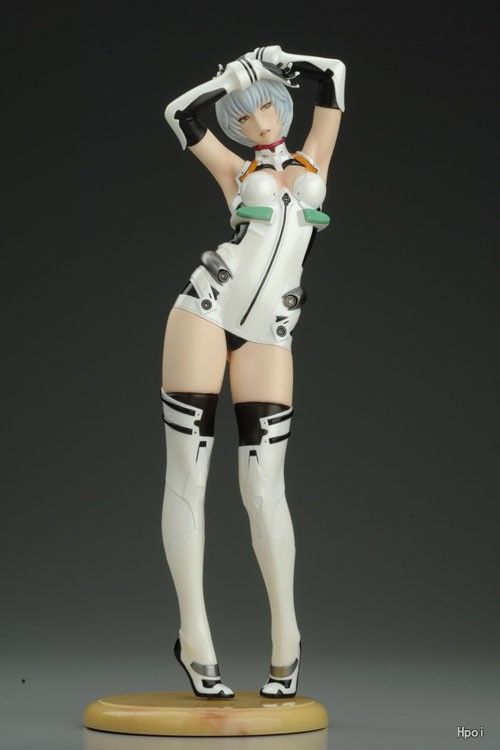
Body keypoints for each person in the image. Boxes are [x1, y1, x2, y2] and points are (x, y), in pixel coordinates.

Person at [161, 45, 346, 699]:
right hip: (206, 308)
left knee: (265, 487)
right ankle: (194, 638)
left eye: (265, 104)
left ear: (282, 106)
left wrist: (277, 58)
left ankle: (287, 641)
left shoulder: (313, 159)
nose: (257, 120)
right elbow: (178, 114)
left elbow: (335, 76)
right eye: (243, 114)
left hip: (271, 330)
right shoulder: (235, 169)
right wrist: (227, 79)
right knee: (189, 473)